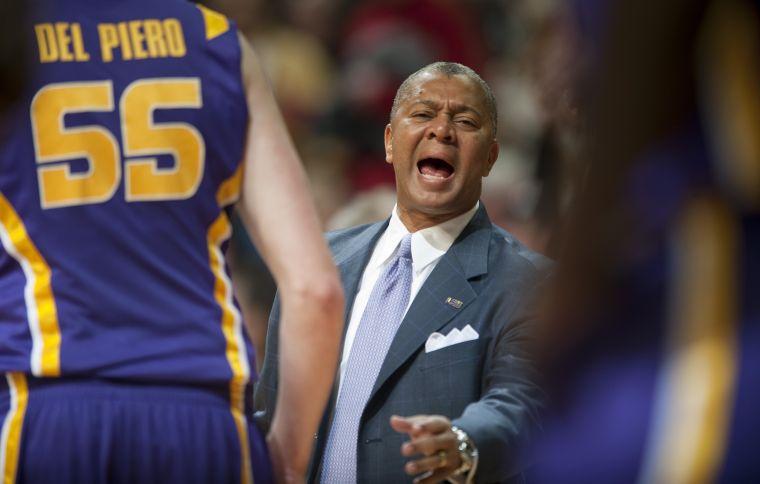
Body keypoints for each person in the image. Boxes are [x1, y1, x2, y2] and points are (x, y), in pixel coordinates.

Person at [0, 1, 344, 483]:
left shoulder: (14, 36)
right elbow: (316, 292)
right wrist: (287, 462)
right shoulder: (217, 42)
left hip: (47, 414)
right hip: (205, 421)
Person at [255, 62, 549, 484]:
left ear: (490, 157)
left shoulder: (527, 282)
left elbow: (522, 401)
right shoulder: (319, 263)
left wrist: (464, 441)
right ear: (390, 142)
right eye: (423, 114)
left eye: (465, 121)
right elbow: (274, 410)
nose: (442, 131)